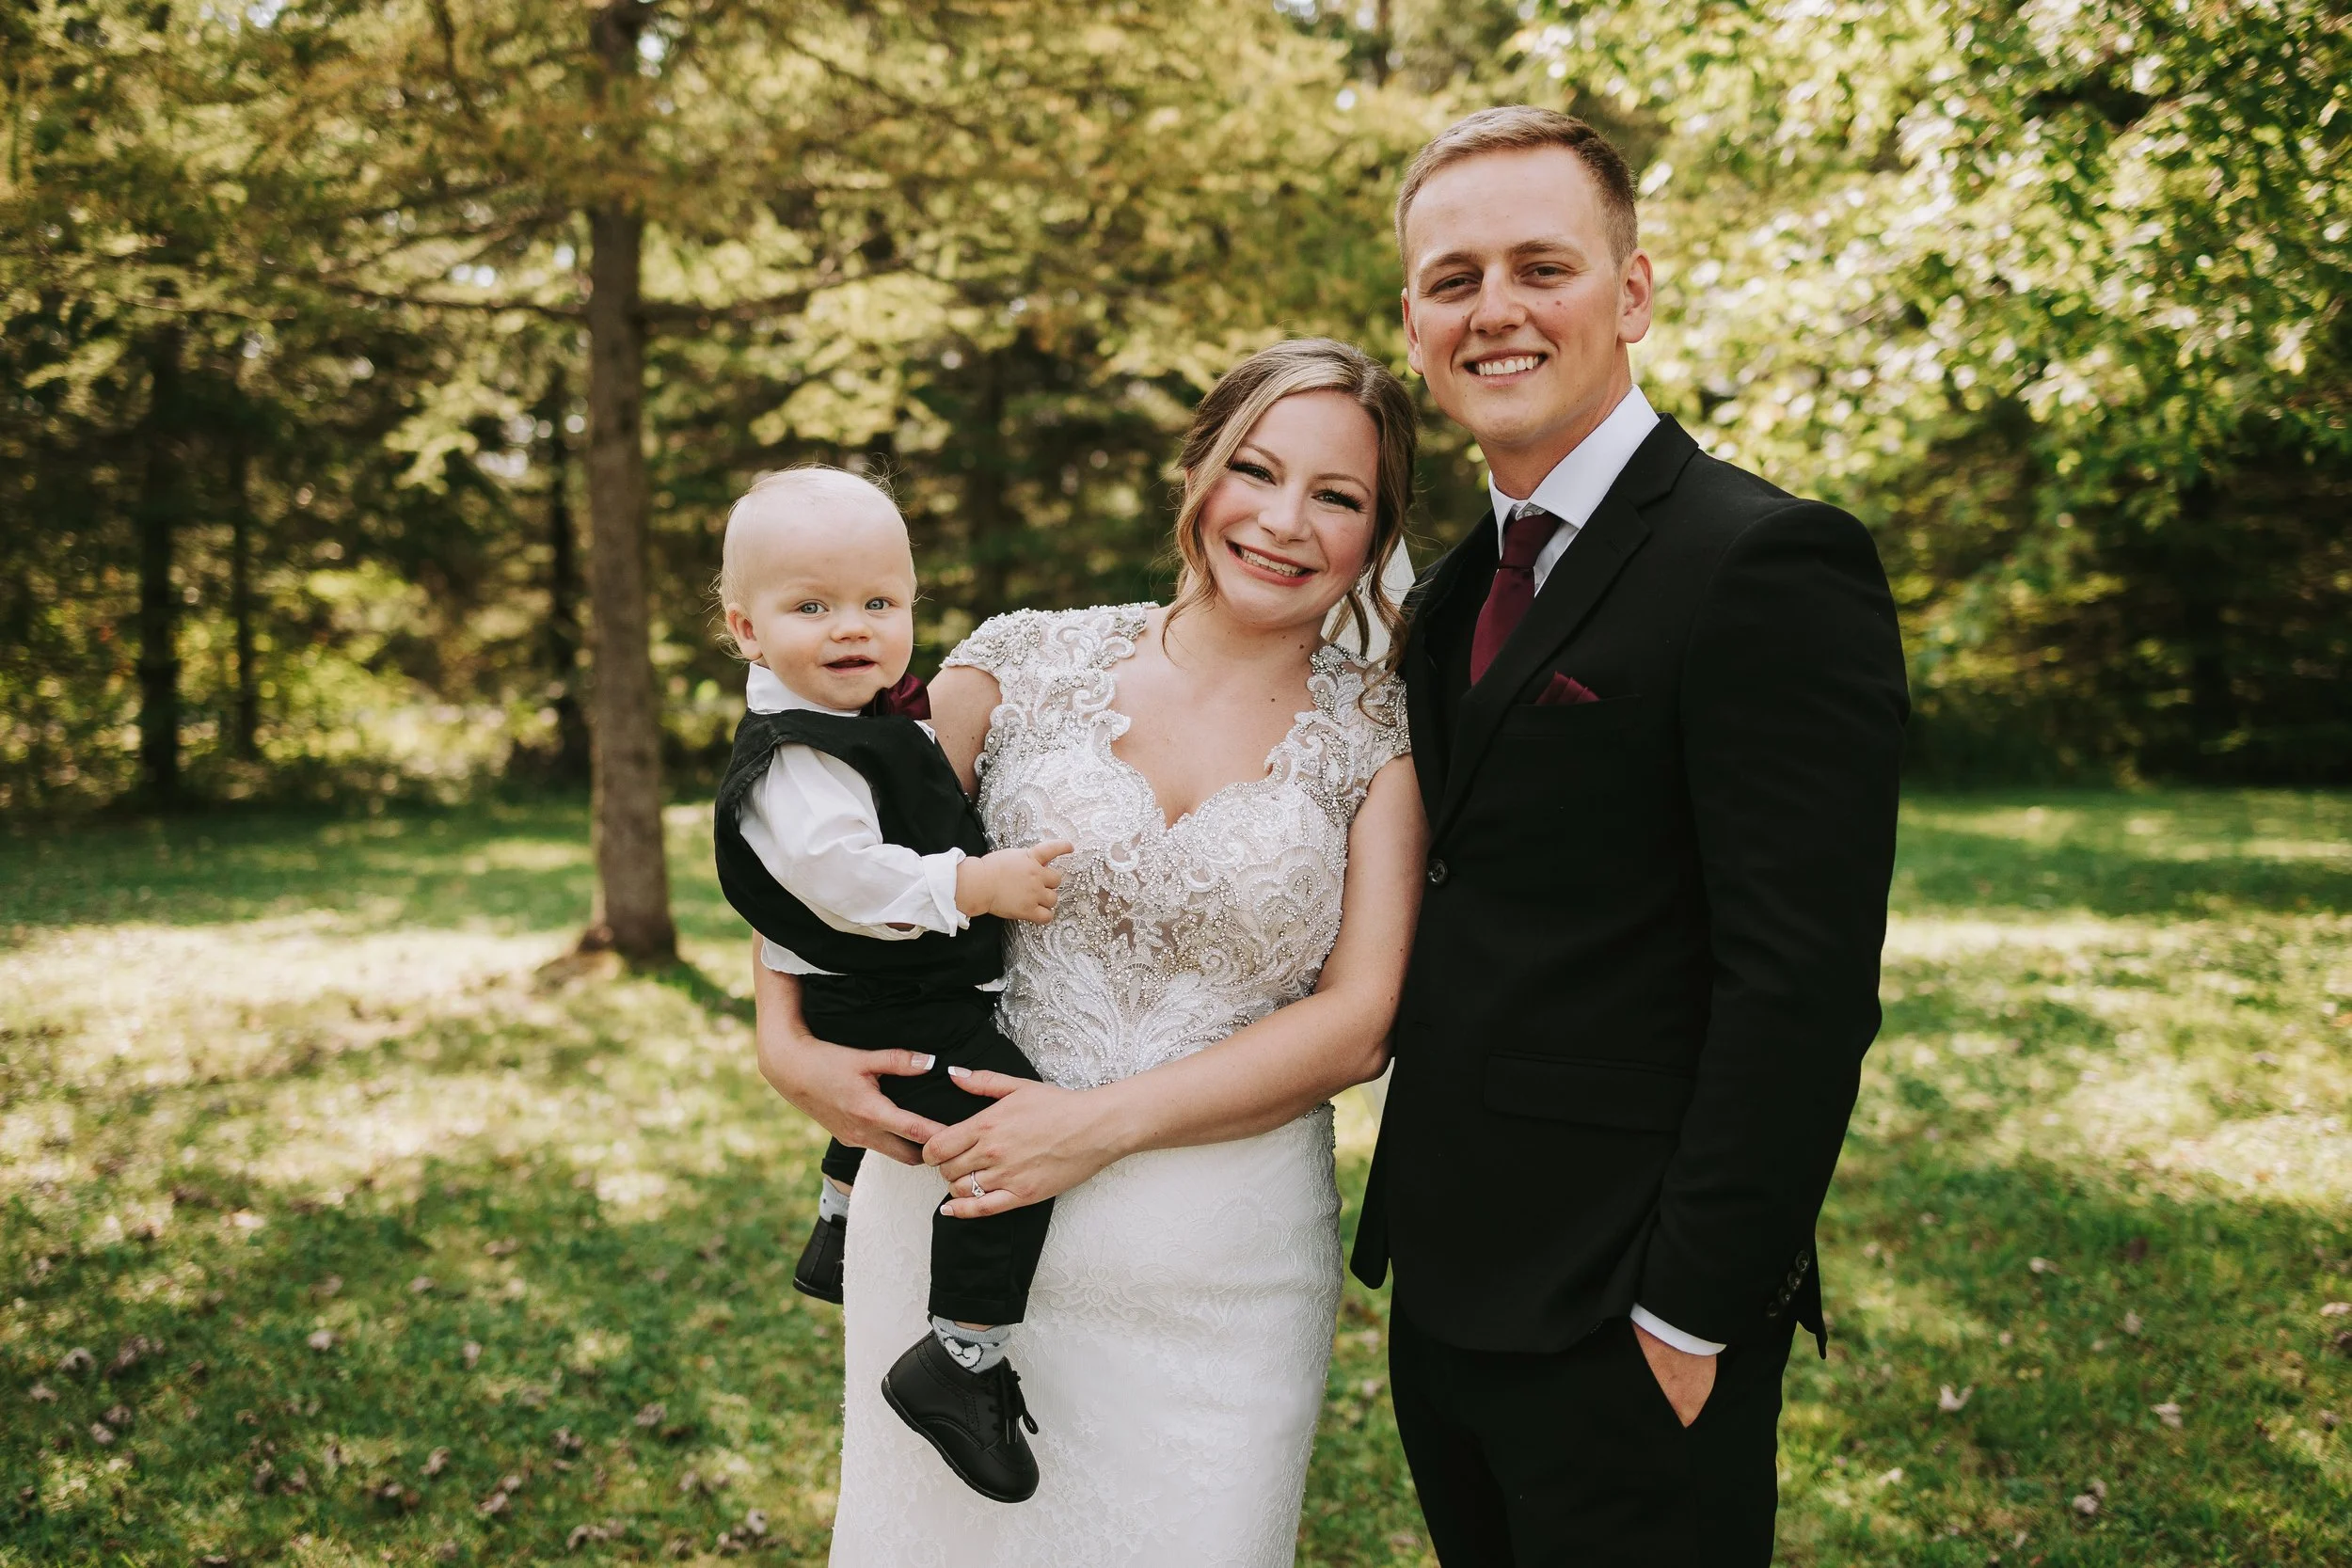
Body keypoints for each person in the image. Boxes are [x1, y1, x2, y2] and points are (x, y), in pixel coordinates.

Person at [751, 339, 1428, 1565]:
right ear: (1199, 469)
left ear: (1379, 528)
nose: (1284, 521)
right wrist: (784, 1039)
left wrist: (1100, 1122)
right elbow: (827, 835)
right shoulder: (1021, 659)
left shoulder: (1383, 729)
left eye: (1337, 495)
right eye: (1256, 470)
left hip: (1218, 1268)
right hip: (959, 1210)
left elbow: (1362, 1013)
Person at [1350, 106, 1910, 1565]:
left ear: (1635, 292)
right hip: (1452, 1291)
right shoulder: (1457, 586)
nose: (1497, 310)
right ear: (1413, 319)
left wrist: (1689, 1307)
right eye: (1454, 277)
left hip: (1632, 1313)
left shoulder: (1768, 561)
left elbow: (1802, 981)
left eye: (1544, 265)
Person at [708, 467, 1076, 1501]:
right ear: (746, 627)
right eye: (811, 605)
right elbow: (845, 878)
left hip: (897, 986)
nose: (851, 627)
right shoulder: (795, 755)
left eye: (879, 602)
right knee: (1000, 1124)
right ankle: (958, 1357)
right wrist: (974, 882)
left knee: (929, 1063)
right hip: (875, 988)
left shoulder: (867, 714)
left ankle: (836, 1218)